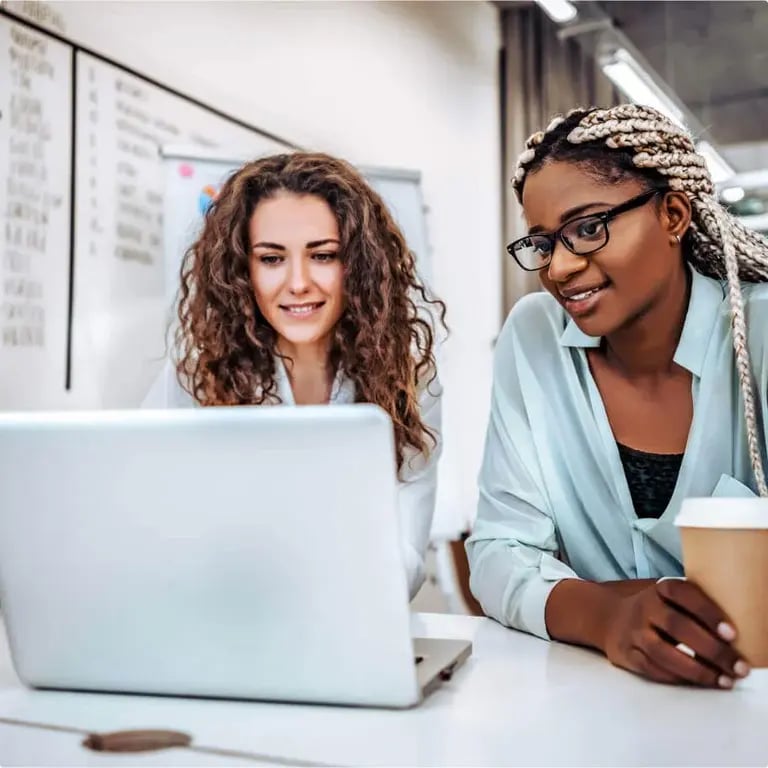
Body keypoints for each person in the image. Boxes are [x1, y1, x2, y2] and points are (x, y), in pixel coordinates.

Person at [466, 104, 768, 688]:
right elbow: (499, 549)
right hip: (595, 698)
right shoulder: (534, 338)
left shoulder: (759, 336)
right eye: (543, 242)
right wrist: (606, 617)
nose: (561, 266)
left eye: (588, 227)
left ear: (674, 214)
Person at [143, 152, 446, 600]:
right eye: (271, 259)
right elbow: (148, 526)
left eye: (323, 255)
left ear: (358, 265)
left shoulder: (410, 379)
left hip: (354, 623)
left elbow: (404, 560)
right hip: (219, 621)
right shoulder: (196, 374)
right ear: (242, 270)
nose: (298, 282)